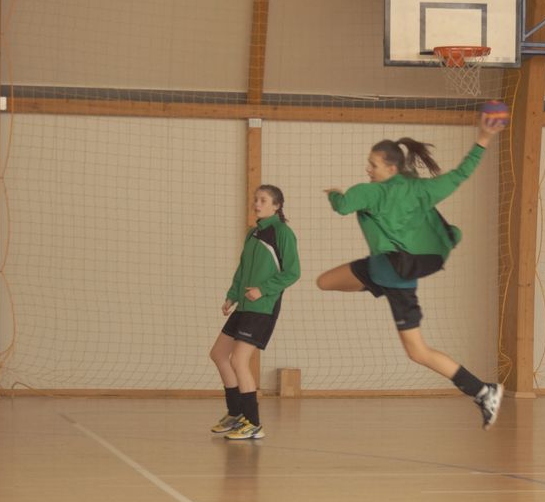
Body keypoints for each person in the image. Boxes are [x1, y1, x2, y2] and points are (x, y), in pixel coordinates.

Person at [317, 113, 506, 429]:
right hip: (380, 267)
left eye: (373, 165)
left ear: (391, 169)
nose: (368, 169)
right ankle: (376, 285)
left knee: (417, 352)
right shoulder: (421, 190)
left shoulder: (373, 192)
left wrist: (335, 193)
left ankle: (484, 391)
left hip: (398, 279)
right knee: (324, 282)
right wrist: (484, 139)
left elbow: (343, 205)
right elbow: (460, 174)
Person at [210, 184, 300, 440]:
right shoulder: (253, 232)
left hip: (263, 307)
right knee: (218, 354)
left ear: (276, 206)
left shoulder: (283, 233)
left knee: (239, 360)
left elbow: (292, 272)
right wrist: (232, 295)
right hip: (244, 305)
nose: (257, 204)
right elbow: (242, 269)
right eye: (255, 199)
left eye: (263, 200)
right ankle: (236, 414)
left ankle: (253, 423)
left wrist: (263, 290)